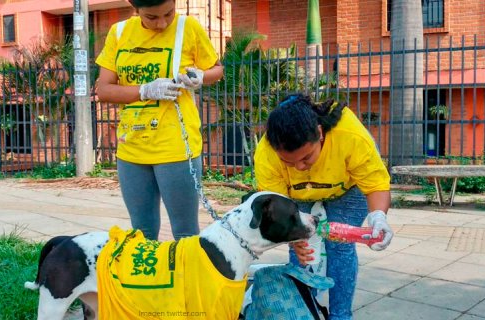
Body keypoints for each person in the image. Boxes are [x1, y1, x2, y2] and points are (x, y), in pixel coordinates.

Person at [254, 93, 394, 320]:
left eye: (306, 158)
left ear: (319, 134)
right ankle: (304, 313)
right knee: (302, 252)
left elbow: (376, 184)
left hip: (347, 190)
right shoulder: (266, 154)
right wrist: (294, 239)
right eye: (289, 162)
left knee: (340, 248)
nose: (299, 167)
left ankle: (340, 315)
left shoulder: (350, 136)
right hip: (296, 195)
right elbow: (278, 208)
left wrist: (378, 217)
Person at [95, 0, 223, 240]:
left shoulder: (189, 27)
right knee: (141, 233)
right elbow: (104, 90)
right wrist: (144, 90)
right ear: (135, 9)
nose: (162, 23)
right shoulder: (119, 32)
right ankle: (149, 277)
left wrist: (201, 76)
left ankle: (185, 277)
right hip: (132, 148)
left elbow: (217, 69)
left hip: (175, 146)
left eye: (168, 13)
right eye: (151, 17)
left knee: (185, 232)